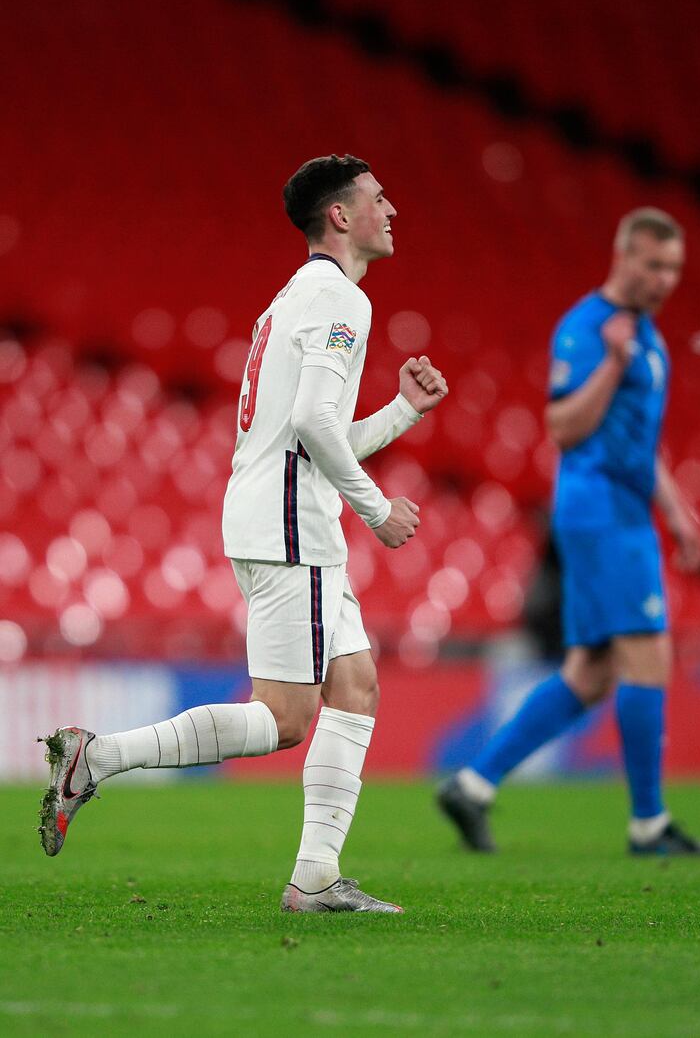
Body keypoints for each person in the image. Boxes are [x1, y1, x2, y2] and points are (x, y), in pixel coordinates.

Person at [38, 154, 449, 912]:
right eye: (379, 199)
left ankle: (316, 877)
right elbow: (312, 425)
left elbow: (306, 434)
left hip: (283, 516)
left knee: (355, 686)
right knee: (286, 718)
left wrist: (401, 413)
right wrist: (376, 510)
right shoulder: (339, 301)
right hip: (294, 526)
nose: (392, 211)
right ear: (340, 216)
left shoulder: (291, 300)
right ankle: (95, 757)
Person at [438, 208, 700, 856]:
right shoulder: (589, 329)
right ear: (622, 257)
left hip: (627, 508)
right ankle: (648, 824)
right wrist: (612, 366)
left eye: (673, 268)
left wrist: (676, 509)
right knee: (648, 655)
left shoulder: (647, 337)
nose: (664, 279)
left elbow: (638, 441)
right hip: (599, 512)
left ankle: (472, 785)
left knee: (591, 672)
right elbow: (564, 427)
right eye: (653, 264)